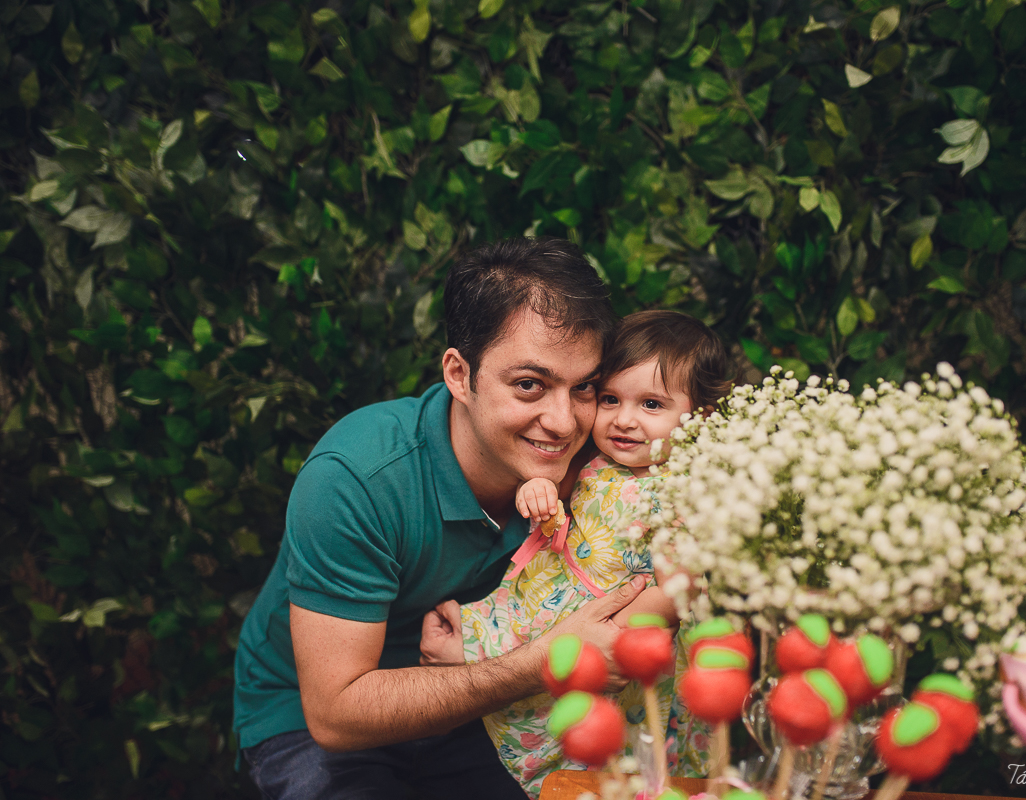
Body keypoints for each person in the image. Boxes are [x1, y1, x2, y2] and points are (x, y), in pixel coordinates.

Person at [232, 238, 646, 800]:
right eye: (530, 384)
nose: (562, 422)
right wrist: (537, 665)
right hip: (318, 718)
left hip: (477, 698)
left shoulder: (599, 461)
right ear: (459, 374)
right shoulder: (358, 479)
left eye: (584, 388)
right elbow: (336, 713)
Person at [420, 310, 735, 798]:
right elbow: (558, 504)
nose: (623, 419)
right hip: (549, 595)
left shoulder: (693, 496)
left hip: (623, 623)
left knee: (588, 737)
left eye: (651, 404)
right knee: (501, 675)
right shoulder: (596, 460)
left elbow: (675, 592)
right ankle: (471, 663)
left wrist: (610, 637)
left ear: (701, 417)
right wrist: (541, 493)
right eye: (610, 399)